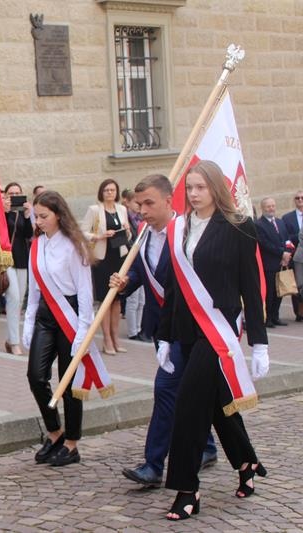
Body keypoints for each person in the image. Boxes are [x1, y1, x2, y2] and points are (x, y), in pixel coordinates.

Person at [157, 160, 268, 521]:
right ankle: (247, 462)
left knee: (189, 403)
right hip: (187, 328)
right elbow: (173, 285)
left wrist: (260, 343)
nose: (193, 194)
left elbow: (250, 287)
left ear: (216, 188)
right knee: (219, 404)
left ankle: (187, 489)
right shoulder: (179, 227)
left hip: (218, 330)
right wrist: (163, 336)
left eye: (201, 187)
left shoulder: (238, 226)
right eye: (189, 187)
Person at [109, 174, 217, 488]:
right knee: (188, 391)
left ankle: (153, 465)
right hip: (162, 330)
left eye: (149, 204)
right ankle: (208, 446)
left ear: (169, 201)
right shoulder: (143, 235)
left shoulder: (187, 233)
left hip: (190, 330)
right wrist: (125, 283)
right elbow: (143, 274)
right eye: (139, 204)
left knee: (166, 389)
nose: (142, 210)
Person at [22, 191, 93, 467]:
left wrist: (84, 329)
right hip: (45, 315)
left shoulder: (74, 245)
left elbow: (85, 291)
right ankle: (55, 433)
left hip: (71, 314)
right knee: (36, 376)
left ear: (59, 215)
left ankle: (72, 444)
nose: (38, 222)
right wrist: (28, 323)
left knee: (69, 380)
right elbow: (34, 290)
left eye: (44, 216)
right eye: (36, 216)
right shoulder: (37, 245)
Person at [81, 179, 131, 354]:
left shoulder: (122, 209)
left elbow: (127, 236)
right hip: (102, 258)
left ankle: (116, 338)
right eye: (107, 190)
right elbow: (82, 232)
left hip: (119, 255)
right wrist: (100, 236)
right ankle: (107, 339)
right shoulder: (95, 210)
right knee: (105, 299)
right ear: (101, 192)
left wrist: (127, 229)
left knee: (117, 299)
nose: (110, 193)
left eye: (113, 190)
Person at [2, 182, 33, 355]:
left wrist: (28, 216)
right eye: (11, 193)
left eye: (17, 193)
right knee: (13, 298)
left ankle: (9, 340)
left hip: (21, 259)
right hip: (7, 260)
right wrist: (5, 213)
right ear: (6, 195)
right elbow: (1, 234)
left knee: (19, 302)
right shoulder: (1, 213)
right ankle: (14, 342)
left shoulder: (22, 212)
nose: (14, 196)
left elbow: (29, 235)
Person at [255, 197, 294, 327]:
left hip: (282, 263)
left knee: (279, 292)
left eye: (273, 206)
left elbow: (287, 239)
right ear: (262, 208)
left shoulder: (280, 222)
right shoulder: (258, 225)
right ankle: (268, 318)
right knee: (270, 292)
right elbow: (265, 244)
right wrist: (282, 253)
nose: (271, 208)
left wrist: (288, 253)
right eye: (268, 206)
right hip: (269, 264)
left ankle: (276, 316)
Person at [120, 188, 146, 341]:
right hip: (130, 260)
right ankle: (132, 331)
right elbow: (125, 241)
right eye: (136, 202)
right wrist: (126, 231)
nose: (139, 206)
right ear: (128, 203)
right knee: (133, 299)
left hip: (141, 259)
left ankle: (139, 328)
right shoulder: (126, 220)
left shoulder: (141, 219)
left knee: (142, 299)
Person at [281, 190, 303, 321]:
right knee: (298, 285)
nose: (300, 200)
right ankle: (299, 313)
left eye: (302, 198)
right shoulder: (287, 218)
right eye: (297, 198)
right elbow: (286, 236)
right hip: (297, 257)